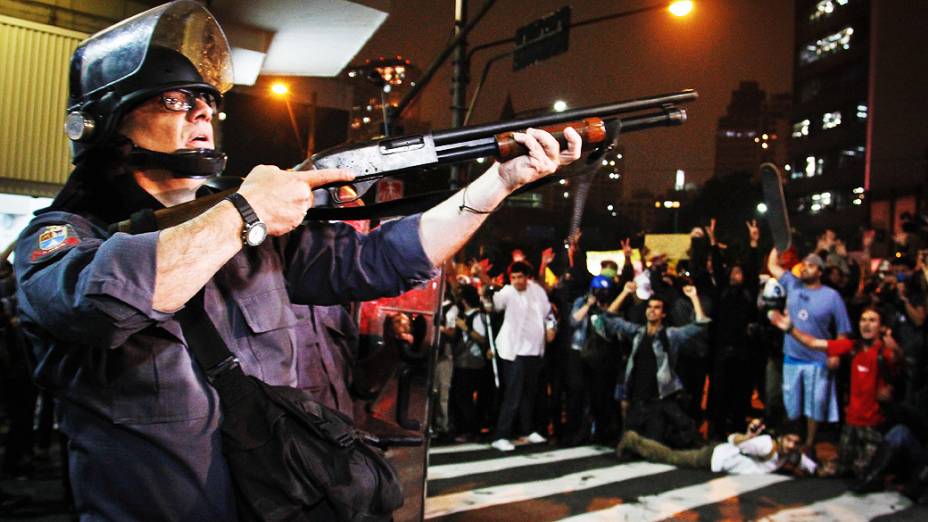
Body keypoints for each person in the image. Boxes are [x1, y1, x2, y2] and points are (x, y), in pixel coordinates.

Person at [12, 2, 583, 519]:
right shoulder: (62, 237)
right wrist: (245, 212)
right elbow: (105, 302)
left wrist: (498, 182)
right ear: (109, 121)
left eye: (208, 101)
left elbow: (382, 259)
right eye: (176, 100)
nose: (202, 114)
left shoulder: (251, 232)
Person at [768, 307, 901, 480]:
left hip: (874, 426)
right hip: (851, 424)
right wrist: (791, 329)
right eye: (863, 319)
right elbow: (814, 343)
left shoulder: (886, 352)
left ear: (881, 326)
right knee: (840, 471)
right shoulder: (853, 347)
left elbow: (905, 371)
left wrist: (896, 352)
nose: (866, 325)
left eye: (872, 320)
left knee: (864, 474)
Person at [595, 283, 710, 449]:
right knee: (630, 448)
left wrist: (693, 297)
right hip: (637, 400)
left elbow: (700, 324)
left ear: (663, 314)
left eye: (657, 308)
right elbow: (609, 318)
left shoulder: (670, 335)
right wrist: (625, 292)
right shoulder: (637, 332)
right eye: (649, 307)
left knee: (653, 446)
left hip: (658, 401)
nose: (652, 310)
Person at [768, 248, 853, 457]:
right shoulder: (793, 285)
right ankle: (792, 440)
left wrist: (835, 354)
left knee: (814, 405)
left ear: (820, 271)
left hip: (818, 359)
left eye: (811, 265)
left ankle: (809, 442)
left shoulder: (832, 296)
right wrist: (779, 244)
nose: (805, 268)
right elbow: (772, 266)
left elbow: (843, 331)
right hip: (792, 356)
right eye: (804, 264)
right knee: (791, 402)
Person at [487, 261, 553, 451]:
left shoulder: (537, 291)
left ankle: (527, 430)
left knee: (529, 394)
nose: (516, 281)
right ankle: (501, 435)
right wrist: (485, 281)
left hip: (534, 350)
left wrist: (551, 328)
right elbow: (497, 304)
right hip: (513, 351)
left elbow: (549, 313)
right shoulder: (508, 291)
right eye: (513, 277)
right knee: (513, 395)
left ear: (527, 277)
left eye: (520, 277)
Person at [616, 419, 817, 476]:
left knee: (679, 451)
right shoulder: (765, 445)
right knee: (671, 457)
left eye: (795, 443)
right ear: (781, 437)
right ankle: (633, 440)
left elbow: (807, 463)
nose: (791, 446)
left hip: (718, 456)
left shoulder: (792, 454)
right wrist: (747, 436)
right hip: (715, 457)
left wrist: (822, 469)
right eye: (789, 440)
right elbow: (734, 440)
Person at [565, 275, 623, 445]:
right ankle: (576, 431)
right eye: (598, 291)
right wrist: (589, 305)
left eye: (604, 291)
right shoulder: (581, 301)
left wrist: (603, 307)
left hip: (601, 356)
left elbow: (612, 326)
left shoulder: (608, 304)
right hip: (579, 351)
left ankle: (602, 432)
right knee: (578, 393)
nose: (601, 294)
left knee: (600, 394)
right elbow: (573, 321)